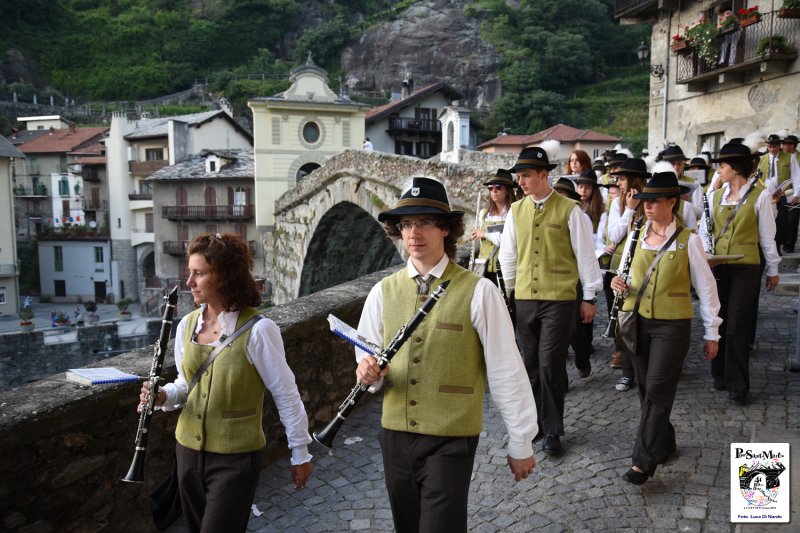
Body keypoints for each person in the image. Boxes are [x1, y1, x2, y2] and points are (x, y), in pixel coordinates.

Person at [355, 177, 537, 533]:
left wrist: (521, 440)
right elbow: (365, 356)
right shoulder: (382, 292)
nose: (413, 233)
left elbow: (506, 369)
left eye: (424, 222)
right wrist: (367, 374)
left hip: (451, 437)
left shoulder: (480, 292)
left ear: (446, 229)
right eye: (406, 224)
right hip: (395, 435)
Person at [139, 233, 312, 533]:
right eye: (189, 273)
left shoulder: (259, 330)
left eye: (199, 274)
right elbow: (186, 384)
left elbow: (286, 395)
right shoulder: (187, 325)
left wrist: (300, 453)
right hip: (187, 454)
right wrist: (164, 396)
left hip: (235, 460)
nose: (189, 282)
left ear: (224, 275)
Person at [610, 165, 721, 485]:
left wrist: (712, 332)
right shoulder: (635, 236)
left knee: (657, 389)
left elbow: (707, 288)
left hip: (673, 326)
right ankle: (666, 442)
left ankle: (642, 462)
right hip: (638, 321)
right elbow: (626, 276)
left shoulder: (690, 241)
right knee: (646, 390)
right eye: (645, 199)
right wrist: (620, 282)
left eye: (654, 200)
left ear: (672, 202)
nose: (647, 205)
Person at [499, 146, 603, 455]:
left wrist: (589, 296)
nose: (522, 182)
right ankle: (537, 424)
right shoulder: (516, 211)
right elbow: (508, 254)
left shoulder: (571, 210)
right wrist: (509, 294)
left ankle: (554, 429)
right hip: (526, 299)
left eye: (527, 175)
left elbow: (586, 257)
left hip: (559, 299)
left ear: (544, 175)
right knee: (530, 364)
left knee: (550, 363)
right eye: (520, 176)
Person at [700, 143, 781, 404]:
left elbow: (768, 236)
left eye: (722, 165)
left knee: (737, 324)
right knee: (718, 317)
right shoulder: (713, 196)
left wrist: (773, 268)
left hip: (747, 265)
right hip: (718, 263)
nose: (719, 170)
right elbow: (704, 232)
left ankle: (738, 383)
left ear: (735, 168)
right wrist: (703, 260)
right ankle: (720, 374)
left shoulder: (761, 196)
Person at [553, 177, 595, 378]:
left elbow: (586, 252)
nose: (559, 199)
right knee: (556, 333)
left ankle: (582, 359)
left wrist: (589, 294)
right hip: (552, 280)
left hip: (575, 278)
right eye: (557, 194)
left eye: (563, 195)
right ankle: (560, 380)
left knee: (575, 328)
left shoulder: (580, 216)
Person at [470, 169, 520, 323]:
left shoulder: (515, 211)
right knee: (487, 311)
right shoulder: (484, 213)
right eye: (491, 188)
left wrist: (486, 234)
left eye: (498, 187)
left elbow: (511, 241)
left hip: (505, 268)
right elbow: (480, 243)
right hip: (484, 269)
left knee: (508, 309)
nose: (494, 191)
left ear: (508, 190)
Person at [758, 133, 800, 254]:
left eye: (775, 146)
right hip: (766, 194)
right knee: (767, 221)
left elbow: (796, 176)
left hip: (782, 194)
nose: (772, 149)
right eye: (770, 147)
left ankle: (778, 247)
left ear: (779, 146)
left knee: (782, 223)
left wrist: (796, 194)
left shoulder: (789, 157)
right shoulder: (762, 159)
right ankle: (768, 248)